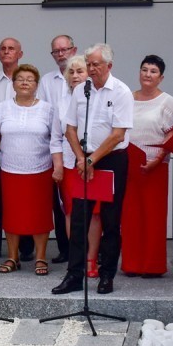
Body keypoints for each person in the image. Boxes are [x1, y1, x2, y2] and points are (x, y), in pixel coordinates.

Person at [52, 43, 134, 295]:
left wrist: (92, 160)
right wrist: (80, 157)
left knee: (110, 220)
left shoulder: (121, 91)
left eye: (96, 64)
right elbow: (70, 129)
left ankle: (106, 274)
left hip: (111, 160)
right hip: (84, 159)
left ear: (109, 66)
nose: (91, 69)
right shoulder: (81, 91)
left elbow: (118, 134)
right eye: (89, 64)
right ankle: (74, 275)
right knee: (78, 219)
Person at [0, 65, 58, 276]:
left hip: (40, 169)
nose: (25, 83)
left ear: (37, 85)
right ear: (13, 84)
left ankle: (40, 257)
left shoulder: (48, 109)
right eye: (20, 79)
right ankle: (13, 257)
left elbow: (54, 138)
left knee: (40, 214)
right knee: (11, 214)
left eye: (30, 79)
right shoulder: (2, 107)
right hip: (10, 169)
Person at [0, 37, 34, 262]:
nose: (7, 52)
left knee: (22, 197)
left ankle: (26, 246)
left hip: (25, 147)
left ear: (20, 54)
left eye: (12, 49)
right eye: (3, 48)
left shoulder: (29, 81)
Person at [121, 55, 173, 276]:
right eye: (144, 70)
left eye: (153, 71)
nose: (147, 74)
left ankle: (152, 265)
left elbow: (171, 133)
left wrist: (160, 157)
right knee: (130, 215)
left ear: (161, 77)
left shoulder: (167, 100)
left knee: (153, 216)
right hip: (129, 162)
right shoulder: (127, 97)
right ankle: (131, 264)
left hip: (156, 164)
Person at [52, 55, 102, 277]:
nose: (74, 76)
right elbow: (55, 138)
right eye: (71, 72)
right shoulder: (62, 103)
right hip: (70, 165)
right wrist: (59, 165)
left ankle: (92, 258)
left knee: (94, 213)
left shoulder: (98, 98)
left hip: (95, 163)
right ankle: (77, 258)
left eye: (79, 71)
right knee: (71, 212)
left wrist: (90, 159)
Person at [39, 35, 78, 264]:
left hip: (84, 150)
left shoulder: (86, 79)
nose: (61, 54)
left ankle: (91, 250)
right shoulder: (47, 80)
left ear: (74, 49)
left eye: (65, 49)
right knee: (61, 203)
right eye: (56, 51)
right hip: (57, 144)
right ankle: (65, 249)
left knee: (86, 203)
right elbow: (46, 113)